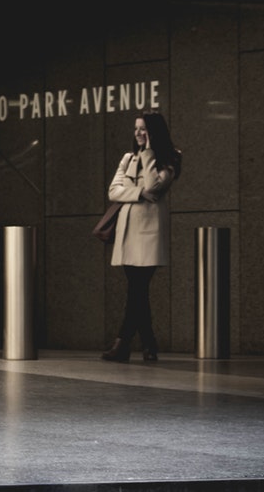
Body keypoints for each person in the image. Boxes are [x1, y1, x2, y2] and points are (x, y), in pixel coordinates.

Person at [101, 111, 181, 363]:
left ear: (154, 132)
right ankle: (148, 344)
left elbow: (155, 187)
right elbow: (113, 191)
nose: (138, 133)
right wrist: (137, 194)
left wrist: (148, 154)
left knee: (137, 289)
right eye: (136, 128)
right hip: (127, 233)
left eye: (143, 129)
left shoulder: (170, 158)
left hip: (148, 234)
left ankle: (122, 343)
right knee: (138, 291)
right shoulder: (127, 158)